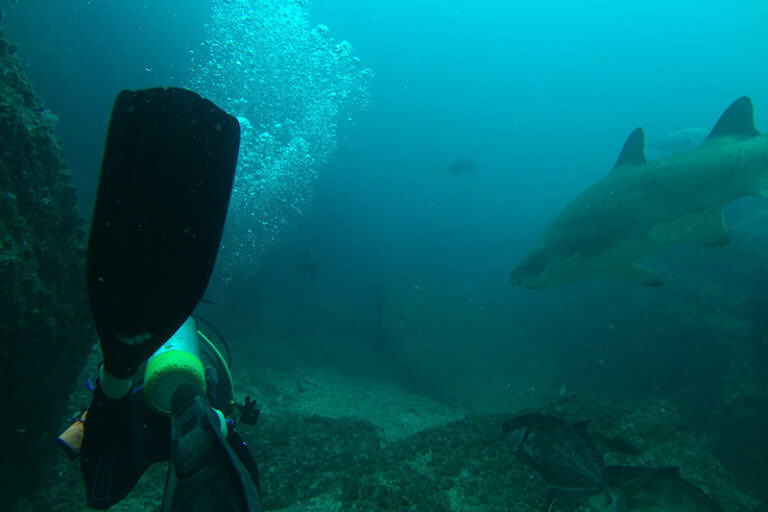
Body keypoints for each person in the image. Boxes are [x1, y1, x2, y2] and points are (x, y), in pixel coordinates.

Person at [56, 87, 263, 511]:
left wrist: (111, 387)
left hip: (140, 407)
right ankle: (212, 424)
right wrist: (232, 420)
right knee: (219, 430)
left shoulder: (162, 317)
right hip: (195, 404)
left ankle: (117, 383)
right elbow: (224, 388)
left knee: (103, 489)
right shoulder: (193, 329)